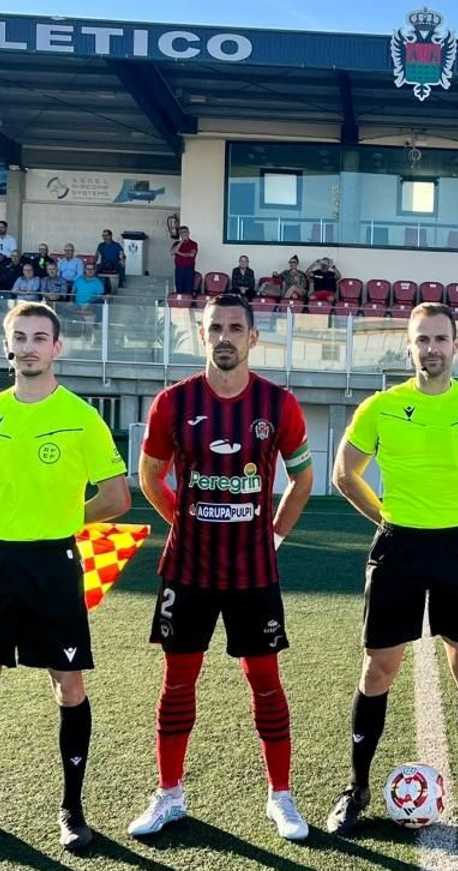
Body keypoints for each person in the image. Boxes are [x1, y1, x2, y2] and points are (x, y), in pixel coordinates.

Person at [0, 302, 131, 854]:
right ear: (7, 347)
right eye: (21, 337)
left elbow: (116, 498)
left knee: (69, 684)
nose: (31, 346)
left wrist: (56, 523)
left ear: (58, 348)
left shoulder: (81, 418)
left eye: (42, 337)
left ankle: (73, 810)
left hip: (52, 565)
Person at [326, 302, 458, 837]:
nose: (431, 348)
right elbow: (345, 473)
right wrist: (384, 517)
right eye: (422, 339)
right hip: (399, 549)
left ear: (456, 346)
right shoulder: (380, 408)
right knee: (377, 670)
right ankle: (357, 787)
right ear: (407, 346)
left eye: (440, 338)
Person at [128, 294, 316, 842]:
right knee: (178, 683)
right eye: (216, 328)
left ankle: (280, 796)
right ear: (203, 335)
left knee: (266, 683)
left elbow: (302, 480)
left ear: (253, 338)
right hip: (188, 569)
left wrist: (275, 534)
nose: (226, 336)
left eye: (236, 327)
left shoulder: (279, 405)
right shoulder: (173, 403)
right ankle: (169, 794)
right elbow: (150, 476)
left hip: (253, 571)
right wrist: (182, 521)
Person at [171, 226, 198, 295]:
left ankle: (188, 304)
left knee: (189, 289)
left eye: (185, 232)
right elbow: (172, 252)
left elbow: (191, 255)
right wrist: (181, 241)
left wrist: (178, 252)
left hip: (189, 269)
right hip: (179, 269)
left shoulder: (193, 243)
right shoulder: (176, 243)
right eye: (181, 233)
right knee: (179, 289)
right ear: (179, 234)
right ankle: (179, 304)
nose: (183, 234)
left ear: (188, 233)